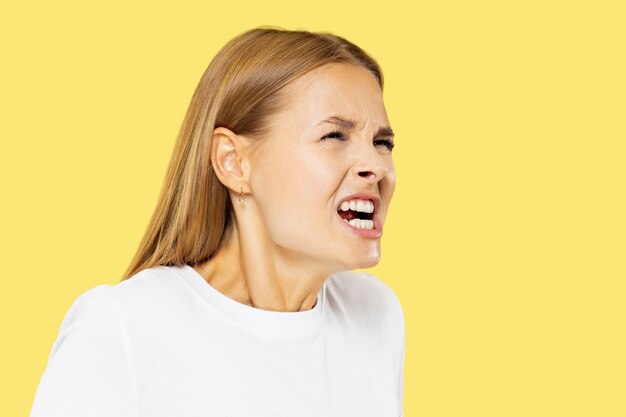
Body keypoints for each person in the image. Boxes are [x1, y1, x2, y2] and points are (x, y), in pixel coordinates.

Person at [30, 26, 405, 417]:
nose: (376, 167)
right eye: (334, 136)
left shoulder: (377, 315)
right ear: (233, 162)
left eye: (383, 143)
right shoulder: (121, 330)